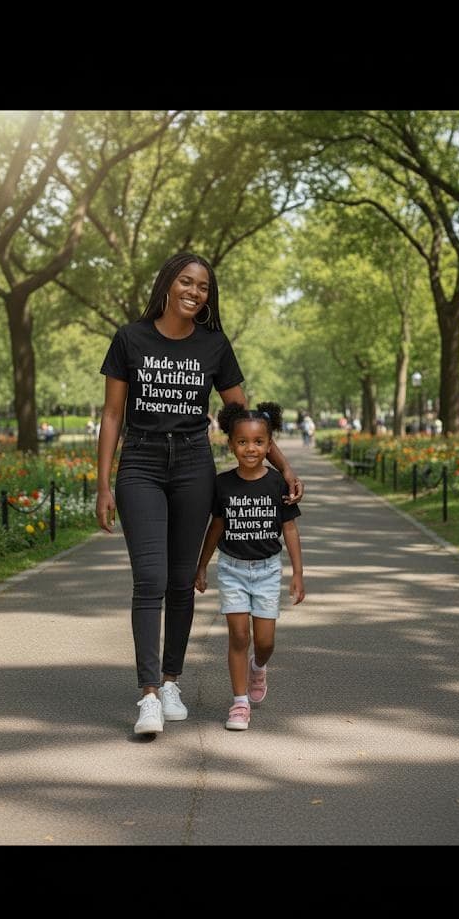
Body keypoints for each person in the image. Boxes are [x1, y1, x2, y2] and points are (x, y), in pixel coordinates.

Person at [96, 252, 304, 736]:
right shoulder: (131, 338)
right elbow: (112, 415)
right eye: (186, 282)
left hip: (193, 464)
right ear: (168, 284)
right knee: (148, 578)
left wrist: (284, 465)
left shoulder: (214, 344)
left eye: (204, 287)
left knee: (180, 578)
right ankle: (147, 693)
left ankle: (171, 680)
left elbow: (244, 419)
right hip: (142, 463)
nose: (195, 291)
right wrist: (104, 483)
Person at [195, 401, 305, 731]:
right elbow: (215, 526)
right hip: (232, 570)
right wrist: (201, 566)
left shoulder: (276, 485)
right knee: (239, 635)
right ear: (231, 444)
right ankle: (239, 703)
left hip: (268, 570)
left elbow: (290, 529)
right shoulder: (223, 484)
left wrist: (298, 573)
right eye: (242, 442)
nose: (250, 448)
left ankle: (259, 667)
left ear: (269, 446)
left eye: (258, 442)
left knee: (265, 641)